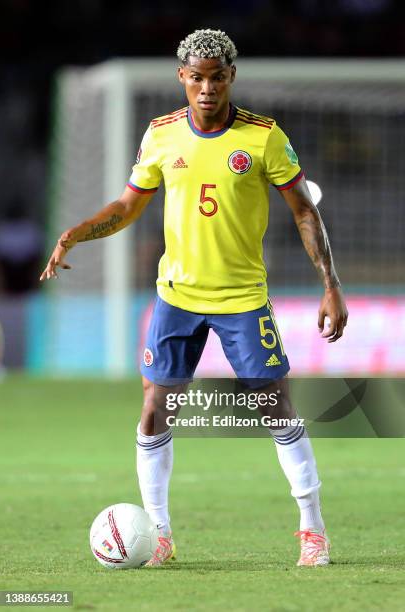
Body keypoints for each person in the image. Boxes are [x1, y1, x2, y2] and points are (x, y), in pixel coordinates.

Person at [40, 29, 348, 568]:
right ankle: (159, 534)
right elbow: (127, 207)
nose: (207, 88)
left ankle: (312, 528)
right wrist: (76, 233)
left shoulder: (264, 137)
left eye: (217, 77)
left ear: (232, 77)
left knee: (274, 405)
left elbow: (303, 210)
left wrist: (331, 283)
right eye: (197, 77)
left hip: (242, 297)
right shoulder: (160, 136)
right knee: (155, 406)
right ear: (182, 77)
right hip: (175, 296)